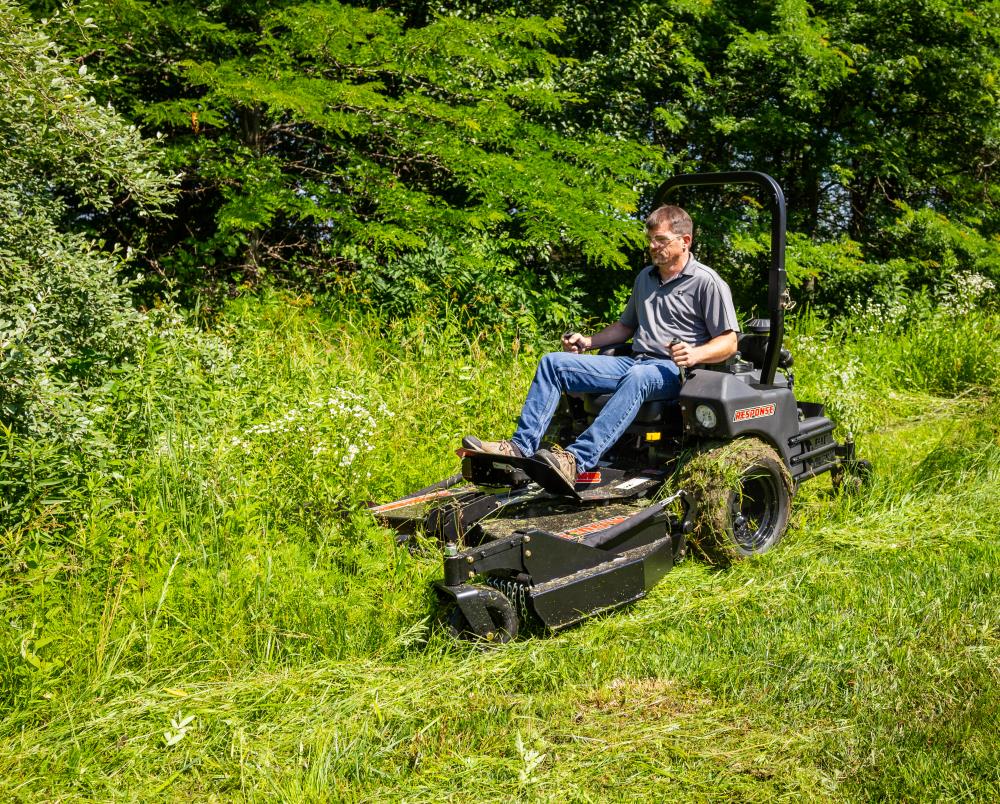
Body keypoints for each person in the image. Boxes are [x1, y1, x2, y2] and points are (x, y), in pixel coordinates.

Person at [463, 204, 739, 490]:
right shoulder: (645, 278)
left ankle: (576, 460)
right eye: (650, 241)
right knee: (553, 363)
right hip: (635, 361)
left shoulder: (707, 282)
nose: (653, 247)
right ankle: (519, 448)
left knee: (639, 377)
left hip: (673, 371)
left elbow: (729, 342)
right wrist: (588, 341)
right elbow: (624, 328)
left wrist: (695, 353)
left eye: (661, 240)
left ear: (685, 241)